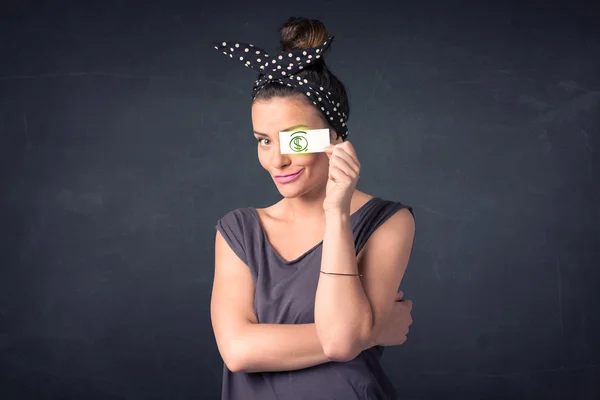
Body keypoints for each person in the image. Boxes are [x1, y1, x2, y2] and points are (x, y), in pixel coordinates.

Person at [210, 17, 416, 400]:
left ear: (334, 136)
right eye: (264, 141)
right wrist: (369, 332)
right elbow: (238, 351)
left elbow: (341, 344)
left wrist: (337, 214)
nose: (278, 160)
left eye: (296, 139)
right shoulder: (239, 230)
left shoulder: (387, 222)